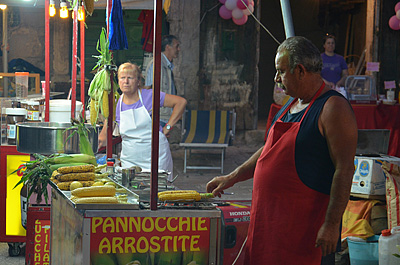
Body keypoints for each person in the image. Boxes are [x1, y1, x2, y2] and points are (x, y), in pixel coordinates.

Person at [206, 36, 358, 264]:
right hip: (268, 227)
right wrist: (232, 177)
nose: (276, 78)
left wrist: (332, 224)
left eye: (281, 71)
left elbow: (344, 170)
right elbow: (269, 149)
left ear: (300, 70)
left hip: (303, 234)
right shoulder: (292, 103)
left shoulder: (333, 107)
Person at [98, 62, 187, 179]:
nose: (126, 82)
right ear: (118, 81)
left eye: (130, 78)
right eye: (122, 78)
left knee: (159, 191)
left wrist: (167, 128)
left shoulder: (150, 96)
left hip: (156, 158)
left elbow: (180, 102)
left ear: (138, 81)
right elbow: (103, 139)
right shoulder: (116, 104)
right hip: (130, 161)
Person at [145, 35, 180, 127]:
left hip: (167, 117)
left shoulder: (168, 66)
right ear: (168, 47)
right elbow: (148, 89)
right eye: (176, 46)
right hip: (158, 117)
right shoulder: (156, 64)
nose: (179, 49)